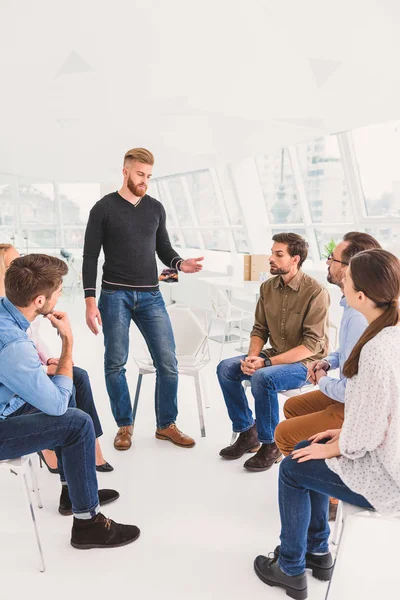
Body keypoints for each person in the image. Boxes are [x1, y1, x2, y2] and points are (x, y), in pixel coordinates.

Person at [254, 248, 400, 600]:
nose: (341, 281)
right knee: (307, 449)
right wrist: (337, 436)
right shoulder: (390, 334)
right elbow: (379, 416)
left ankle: (290, 568)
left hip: (388, 476)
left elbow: (363, 433)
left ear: (361, 296)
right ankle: (318, 552)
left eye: (346, 278)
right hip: (388, 450)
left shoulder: (375, 348)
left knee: (291, 467)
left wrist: (337, 444)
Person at [0, 253, 140, 548]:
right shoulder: (13, 344)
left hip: (7, 403)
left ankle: (72, 491)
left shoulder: (6, 316)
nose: (62, 295)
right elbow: (56, 407)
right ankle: (88, 523)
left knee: (76, 377)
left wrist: (49, 368)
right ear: (40, 301)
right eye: (59, 291)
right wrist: (68, 341)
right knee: (76, 423)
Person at [83, 147, 203, 451]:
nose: (145, 180)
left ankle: (166, 425)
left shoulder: (155, 208)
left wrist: (179, 263)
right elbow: (90, 257)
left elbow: (163, 247)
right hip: (114, 295)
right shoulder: (103, 208)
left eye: (149, 175)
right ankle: (124, 425)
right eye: (140, 174)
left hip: (151, 295)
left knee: (168, 362)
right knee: (115, 363)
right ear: (125, 172)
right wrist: (89, 300)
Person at [217, 233, 330, 472]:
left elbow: (311, 346)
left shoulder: (315, 292)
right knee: (226, 368)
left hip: (306, 362)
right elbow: (260, 329)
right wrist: (251, 358)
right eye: (272, 252)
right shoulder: (267, 288)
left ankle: (271, 444)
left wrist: (265, 363)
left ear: (295, 259)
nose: (271, 258)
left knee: (263, 377)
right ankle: (248, 432)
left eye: (278, 254)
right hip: (275, 353)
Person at [0, 244, 113, 474]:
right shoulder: (15, 309)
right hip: (11, 394)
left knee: (76, 376)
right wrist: (67, 342)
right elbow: (16, 356)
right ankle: (63, 464)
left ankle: (89, 455)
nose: (20, 264)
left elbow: (32, 340)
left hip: (20, 372)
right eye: (13, 263)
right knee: (67, 405)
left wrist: (48, 362)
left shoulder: (18, 301)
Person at [275, 232, 381, 456]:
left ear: (350, 268)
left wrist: (321, 379)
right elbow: (346, 350)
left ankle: (328, 480)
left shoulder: (359, 318)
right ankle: (318, 468)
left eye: (332, 258)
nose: (327, 262)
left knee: (284, 434)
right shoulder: (352, 307)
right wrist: (326, 362)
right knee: (291, 407)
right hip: (349, 393)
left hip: (357, 406)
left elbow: (350, 392)